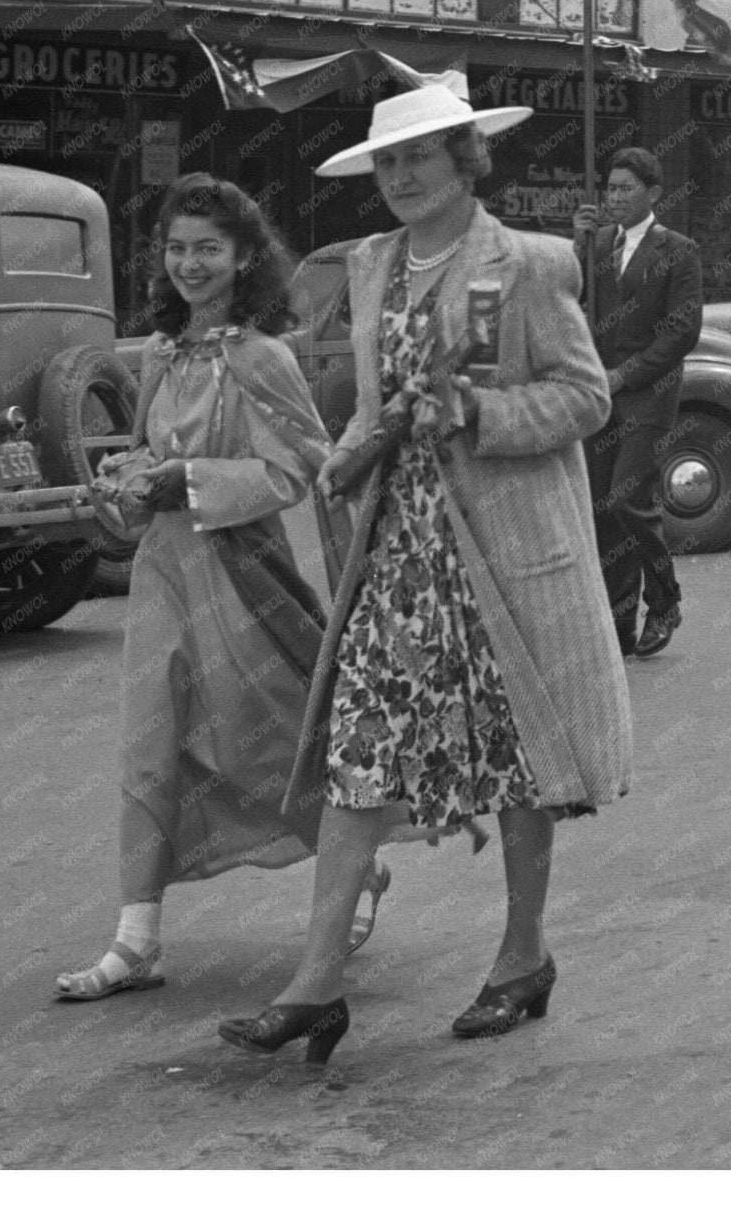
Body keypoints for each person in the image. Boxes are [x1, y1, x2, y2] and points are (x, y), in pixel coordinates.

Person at [218, 85, 631, 1064]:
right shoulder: (371, 265)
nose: (400, 176)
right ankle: (317, 982)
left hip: (502, 552)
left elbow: (586, 397)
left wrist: (481, 415)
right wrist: (343, 457)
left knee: (521, 754)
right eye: (387, 161)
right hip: (398, 553)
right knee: (358, 749)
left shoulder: (528, 264)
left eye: (419, 156)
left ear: (464, 160)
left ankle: (522, 953)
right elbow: (381, 403)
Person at [53, 174, 391, 1001]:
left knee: (259, 740)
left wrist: (193, 479)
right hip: (163, 571)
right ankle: (136, 940)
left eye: (208, 248)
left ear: (245, 257)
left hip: (243, 577)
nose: (190, 264)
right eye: (176, 248)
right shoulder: (161, 353)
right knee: (149, 740)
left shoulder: (263, 357)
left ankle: (358, 865)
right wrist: (125, 485)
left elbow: (302, 469)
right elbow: (148, 457)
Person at [572, 147, 703, 659]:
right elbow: (571, 300)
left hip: (648, 397)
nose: (616, 196)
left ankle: (664, 600)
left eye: (627, 188)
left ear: (653, 193)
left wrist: (625, 374)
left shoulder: (678, 250)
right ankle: (619, 619)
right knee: (602, 509)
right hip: (601, 398)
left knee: (628, 498)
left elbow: (682, 331)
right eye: (611, 187)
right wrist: (578, 245)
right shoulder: (598, 242)